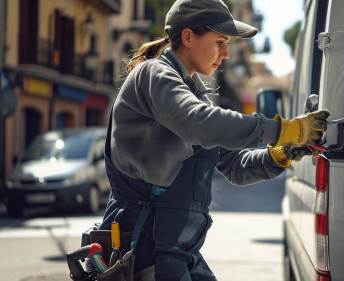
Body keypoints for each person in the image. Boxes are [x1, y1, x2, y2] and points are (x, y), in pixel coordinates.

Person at [98, 0, 330, 280]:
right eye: (220, 41)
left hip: (180, 253)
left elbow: (234, 165)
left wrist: (282, 153)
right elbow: (198, 123)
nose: (227, 54)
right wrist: (284, 129)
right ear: (187, 37)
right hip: (143, 252)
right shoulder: (154, 74)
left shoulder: (192, 94)